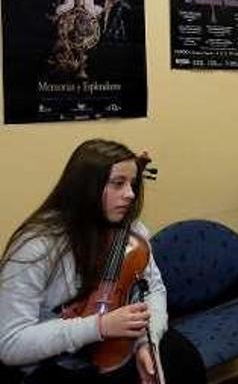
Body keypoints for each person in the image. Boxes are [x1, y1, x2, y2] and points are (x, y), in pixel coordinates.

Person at [0, 139, 167, 384]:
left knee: (180, 355)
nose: (130, 194)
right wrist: (98, 327)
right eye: (118, 184)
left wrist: (146, 344)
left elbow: (153, 289)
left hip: (117, 345)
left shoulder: (132, 232)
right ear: (86, 187)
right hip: (53, 363)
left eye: (132, 184)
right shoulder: (36, 244)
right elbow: (10, 343)